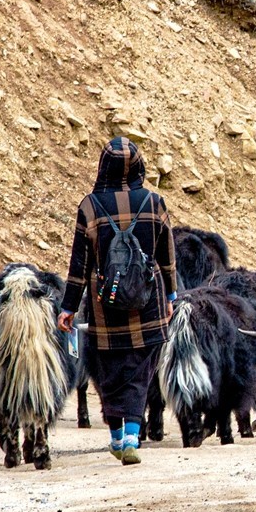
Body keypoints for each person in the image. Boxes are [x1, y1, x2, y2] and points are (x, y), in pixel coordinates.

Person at [57, 137, 176, 465]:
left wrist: (68, 307)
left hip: (103, 304)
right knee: (141, 369)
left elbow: (78, 266)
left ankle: (114, 436)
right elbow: (167, 257)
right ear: (139, 167)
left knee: (108, 369)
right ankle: (132, 437)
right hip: (147, 301)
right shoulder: (155, 203)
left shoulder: (90, 206)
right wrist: (171, 295)